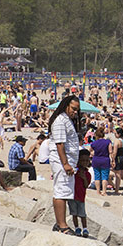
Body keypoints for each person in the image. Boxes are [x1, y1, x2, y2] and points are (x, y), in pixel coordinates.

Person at [48, 96, 81, 234]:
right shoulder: (60, 121)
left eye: (77, 110)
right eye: (73, 109)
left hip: (67, 162)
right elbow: (59, 144)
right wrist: (66, 163)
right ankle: (62, 225)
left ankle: (60, 223)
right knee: (61, 192)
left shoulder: (66, 120)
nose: (75, 112)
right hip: (62, 162)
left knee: (65, 192)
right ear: (66, 105)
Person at [71, 149, 91, 237]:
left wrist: (84, 178)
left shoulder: (87, 174)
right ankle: (77, 228)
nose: (84, 162)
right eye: (82, 160)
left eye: (86, 161)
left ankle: (85, 228)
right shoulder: (75, 171)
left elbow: (86, 185)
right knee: (74, 213)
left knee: (82, 214)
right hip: (72, 196)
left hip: (81, 197)